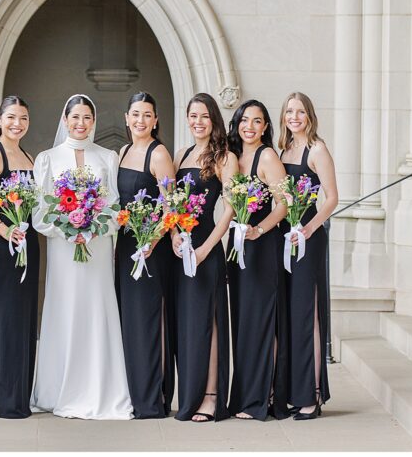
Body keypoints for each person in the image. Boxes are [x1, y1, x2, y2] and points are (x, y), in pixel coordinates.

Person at [30, 94, 133, 420]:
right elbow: (40, 211)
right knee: (65, 307)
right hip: (63, 247)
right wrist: (66, 227)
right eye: (75, 116)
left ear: (94, 120)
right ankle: (57, 388)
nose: (80, 123)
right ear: (64, 119)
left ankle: (99, 386)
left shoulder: (108, 157)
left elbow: (116, 205)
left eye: (87, 117)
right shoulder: (47, 158)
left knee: (95, 307)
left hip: (98, 246)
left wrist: (92, 226)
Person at [171, 93, 238, 422]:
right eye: (192, 116)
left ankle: (211, 397)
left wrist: (206, 248)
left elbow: (230, 208)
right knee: (188, 326)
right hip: (182, 248)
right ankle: (190, 395)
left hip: (206, 248)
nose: (197, 122)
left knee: (208, 324)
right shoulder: (181, 154)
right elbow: (171, 202)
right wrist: (172, 235)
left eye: (204, 117)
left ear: (213, 120)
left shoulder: (225, 157)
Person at [0, 95, 41, 419]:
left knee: (23, 320)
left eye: (23, 118)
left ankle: (19, 397)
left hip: (28, 244)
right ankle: (3, 400)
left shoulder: (28, 155)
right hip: (3, 246)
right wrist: (6, 231)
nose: (17, 123)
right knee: (5, 319)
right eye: (11, 117)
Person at [225, 99, 290, 421]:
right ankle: (244, 397)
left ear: (266, 127)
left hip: (262, 247)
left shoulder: (267, 156)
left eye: (257, 121)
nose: (249, 127)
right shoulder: (234, 158)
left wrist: (259, 230)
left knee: (260, 322)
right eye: (244, 120)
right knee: (242, 323)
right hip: (239, 247)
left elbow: (284, 204)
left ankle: (261, 400)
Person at [114, 92, 176, 419]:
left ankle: (151, 401)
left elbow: (170, 205)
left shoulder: (160, 154)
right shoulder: (123, 151)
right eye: (135, 114)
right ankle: (131, 394)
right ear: (126, 118)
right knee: (129, 321)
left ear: (155, 120)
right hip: (126, 247)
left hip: (150, 249)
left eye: (147, 115)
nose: (140, 120)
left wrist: (151, 240)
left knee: (148, 322)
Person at [279, 92, 338, 420]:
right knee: (289, 316)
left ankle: (311, 395)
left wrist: (309, 229)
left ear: (310, 115)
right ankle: (293, 390)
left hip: (307, 238)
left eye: (300, 111)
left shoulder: (318, 149)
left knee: (307, 315)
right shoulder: (284, 149)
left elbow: (331, 198)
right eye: (289, 111)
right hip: (284, 239)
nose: (294, 116)